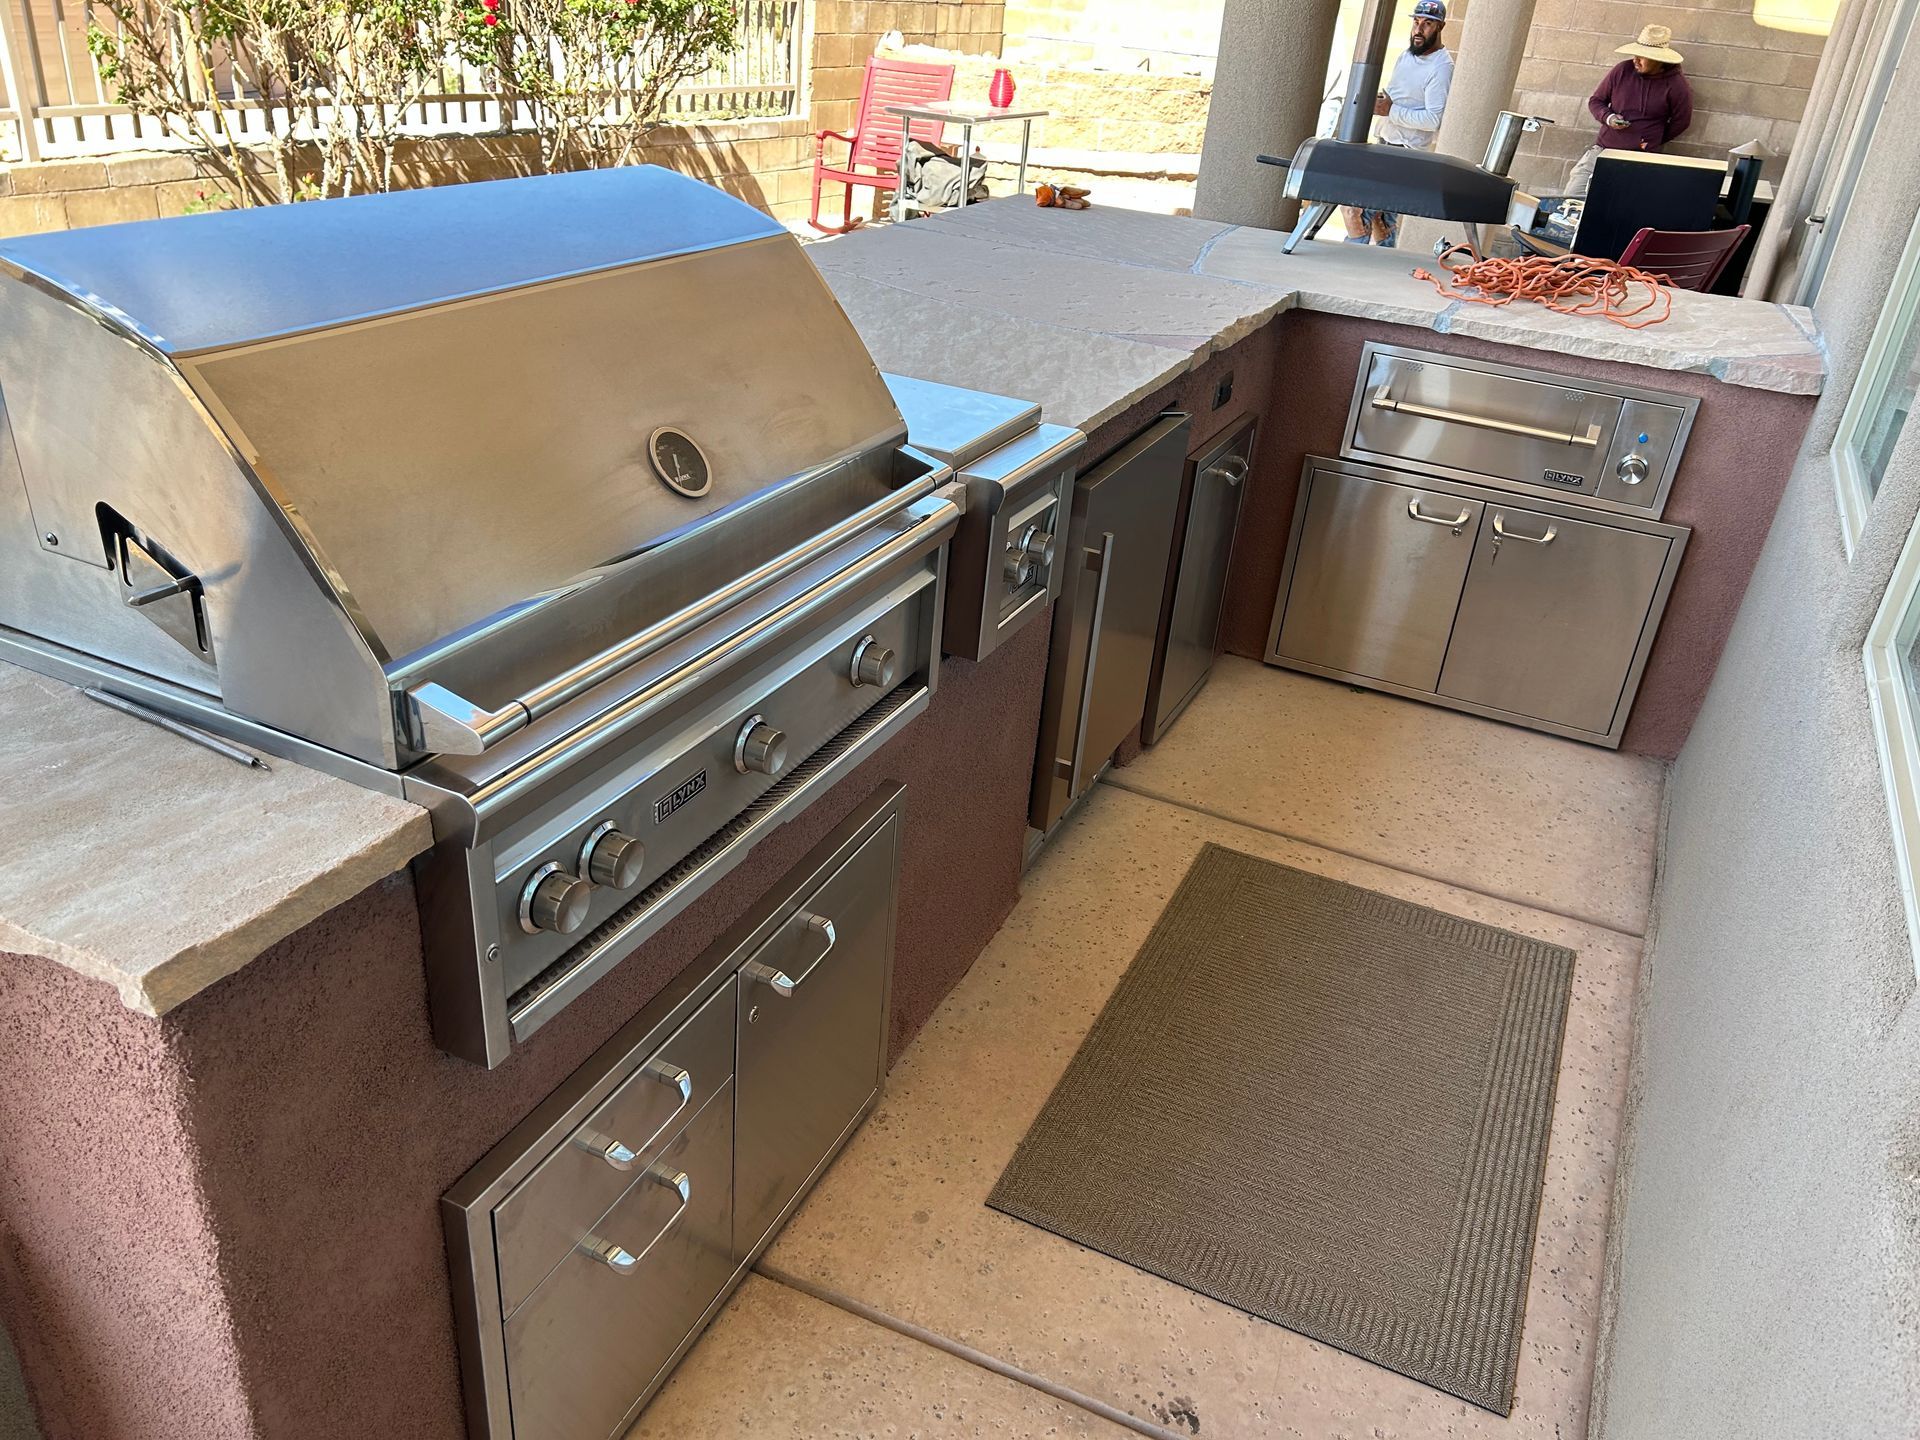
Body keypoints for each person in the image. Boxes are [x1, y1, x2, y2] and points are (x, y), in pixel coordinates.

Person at [1344, 0, 1454, 247]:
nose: (1418, 29)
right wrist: (1381, 102)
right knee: (1380, 220)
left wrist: (1391, 109)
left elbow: (1433, 120)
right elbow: (1396, 97)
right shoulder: (1406, 55)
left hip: (1406, 152)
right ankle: (1376, 272)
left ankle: (1347, 266)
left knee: (1357, 211)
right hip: (1384, 142)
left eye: (1427, 24)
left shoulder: (1442, 66)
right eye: (1416, 22)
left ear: (1440, 27)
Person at [1564, 25, 1693, 199]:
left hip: (1641, 158)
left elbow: (1681, 121)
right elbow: (1596, 101)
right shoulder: (1622, 70)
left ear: (1658, 59)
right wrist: (1608, 118)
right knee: (1573, 196)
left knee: (1622, 204)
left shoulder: (1677, 85)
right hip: (1604, 149)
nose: (1635, 60)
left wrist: (1650, 138)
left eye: (1642, 57)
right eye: (1635, 54)